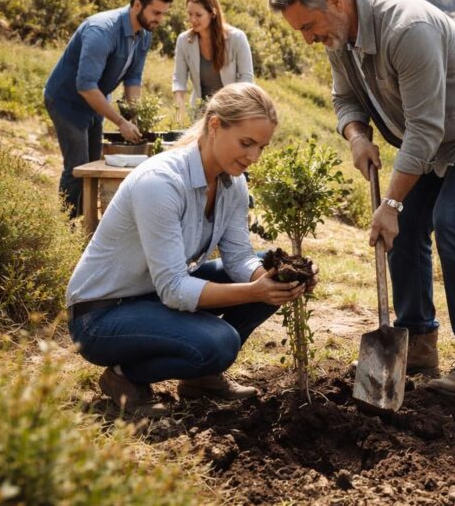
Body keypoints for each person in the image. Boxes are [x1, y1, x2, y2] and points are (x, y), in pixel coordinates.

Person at [269, 0, 455, 398]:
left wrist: (390, 204)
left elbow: (427, 128)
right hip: (429, 138)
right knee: (403, 231)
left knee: (453, 224)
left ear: (335, 0)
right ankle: (418, 342)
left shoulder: (407, 29)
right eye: (302, 32)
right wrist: (356, 136)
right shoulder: (339, 36)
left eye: (309, 26)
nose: (309, 39)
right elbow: (344, 97)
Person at [66, 83, 305, 417]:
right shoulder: (161, 182)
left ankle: (200, 378)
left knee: (267, 270)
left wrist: (277, 280)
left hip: (151, 295)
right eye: (246, 143)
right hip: (102, 315)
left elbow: (238, 257)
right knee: (220, 342)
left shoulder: (232, 182)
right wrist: (253, 291)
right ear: (215, 125)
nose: (254, 157)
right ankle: (124, 378)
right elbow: (174, 289)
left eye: (261, 147)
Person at [44, 0, 173, 217]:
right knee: (78, 168)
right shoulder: (102, 31)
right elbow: (85, 86)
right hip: (67, 101)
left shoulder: (144, 34)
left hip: (94, 103)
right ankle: (65, 226)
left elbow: (133, 78)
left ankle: (85, 222)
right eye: (156, 12)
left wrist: (133, 118)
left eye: (164, 14)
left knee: (94, 166)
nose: (160, 19)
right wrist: (120, 122)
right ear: (137, 5)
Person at [172, 0, 254, 123]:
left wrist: (232, 111)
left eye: (198, 15)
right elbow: (179, 80)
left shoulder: (237, 38)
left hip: (233, 111)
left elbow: (246, 78)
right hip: (200, 115)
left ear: (212, 14)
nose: (192, 20)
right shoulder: (184, 40)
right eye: (190, 14)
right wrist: (178, 114)